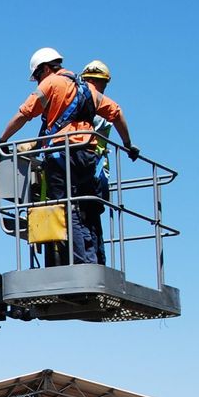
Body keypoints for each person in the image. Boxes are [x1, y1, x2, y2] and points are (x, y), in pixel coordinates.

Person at [0, 48, 138, 266]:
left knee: (64, 208)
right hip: (87, 156)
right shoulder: (87, 89)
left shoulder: (50, 83)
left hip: (62, 155)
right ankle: (96, 262)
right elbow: (116, 113)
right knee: (87, 208)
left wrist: (2, 140)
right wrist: (128, 145)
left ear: (45, 68)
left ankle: (81, 265)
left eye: (38, 76)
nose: (38, 82)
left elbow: (24, 114)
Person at [80, 59, 115, 264]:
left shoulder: (98, 111)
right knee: (88, 219)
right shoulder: (96, 106)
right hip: (92, 171)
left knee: (87, 218)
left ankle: (93, 262)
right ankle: (95, 261)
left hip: (93, 171)